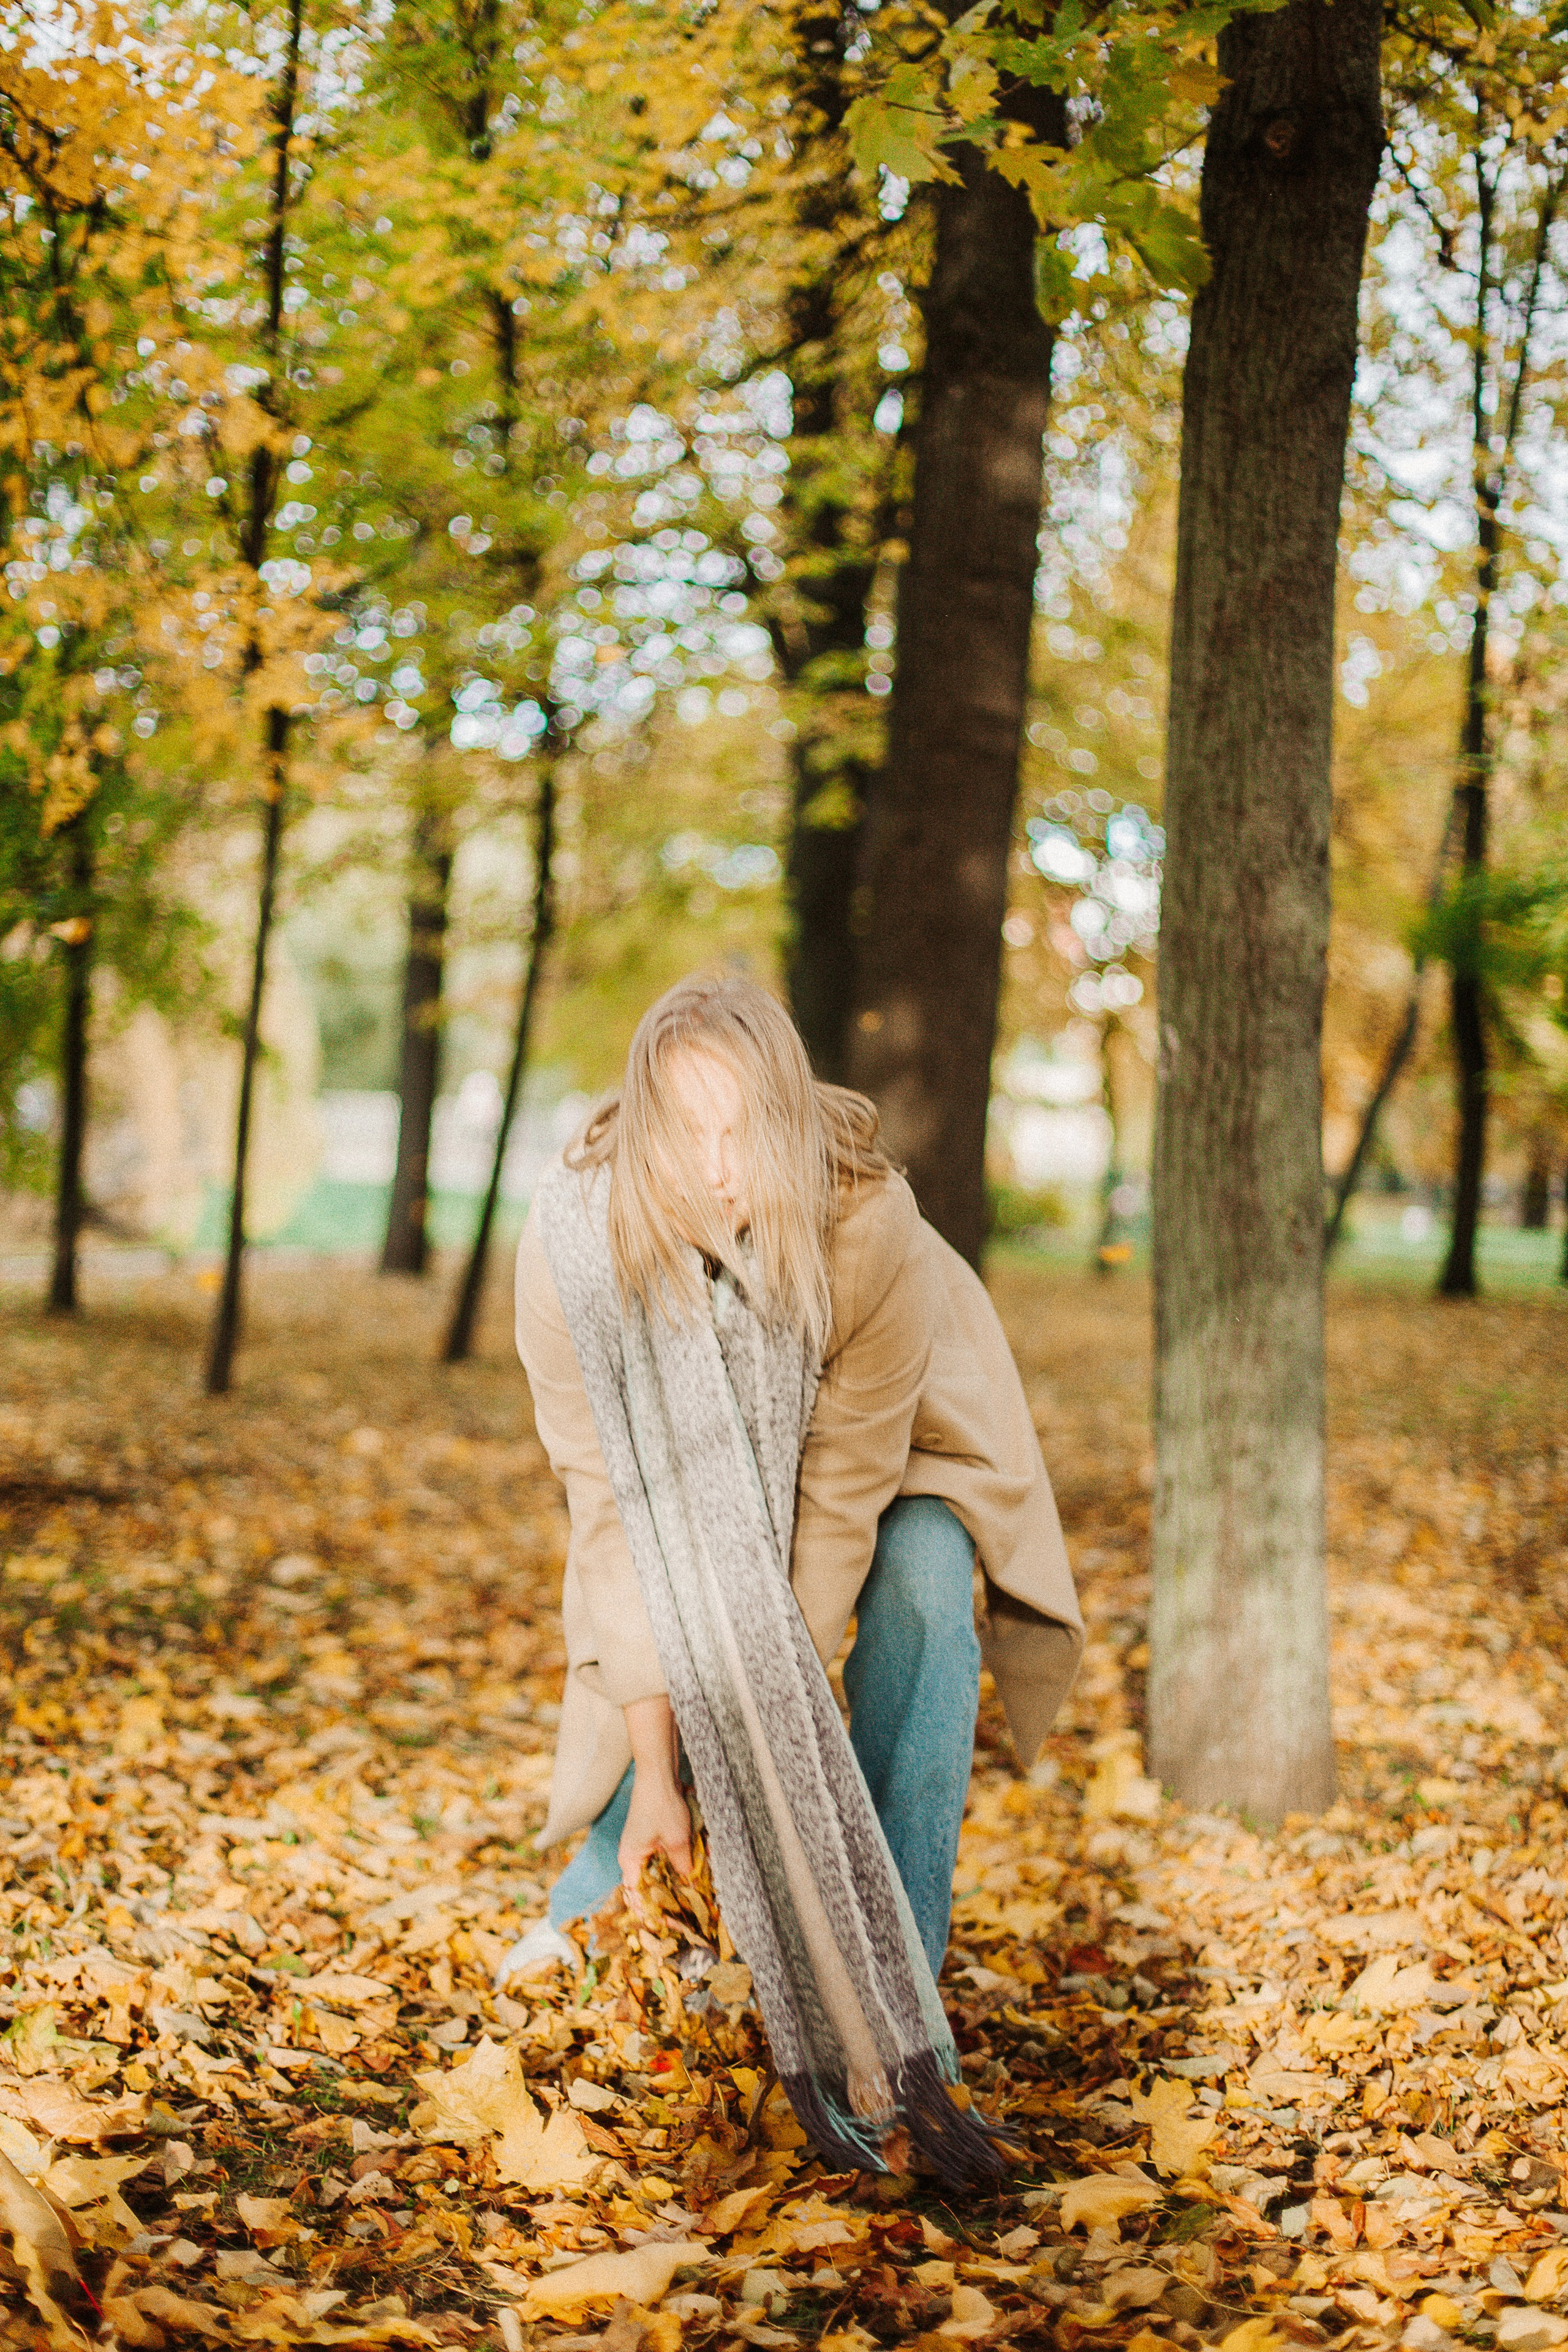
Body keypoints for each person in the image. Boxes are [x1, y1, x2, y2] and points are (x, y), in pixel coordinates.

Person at [499, 973, 1082, 2181]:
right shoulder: (575, 1245)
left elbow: (841, 1501)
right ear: (642, 1126)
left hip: (899, 1444)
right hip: (690, 1485)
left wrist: (769, 1740)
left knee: (917, 1586)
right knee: (687, 1610)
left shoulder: (868, 1224)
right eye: (686, 1135)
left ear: (786, 1119)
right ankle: (599, 1882)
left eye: (741, 1133)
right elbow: (611, 1521)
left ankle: (888, 2012)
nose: (716, 1169)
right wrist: (669, 1771)